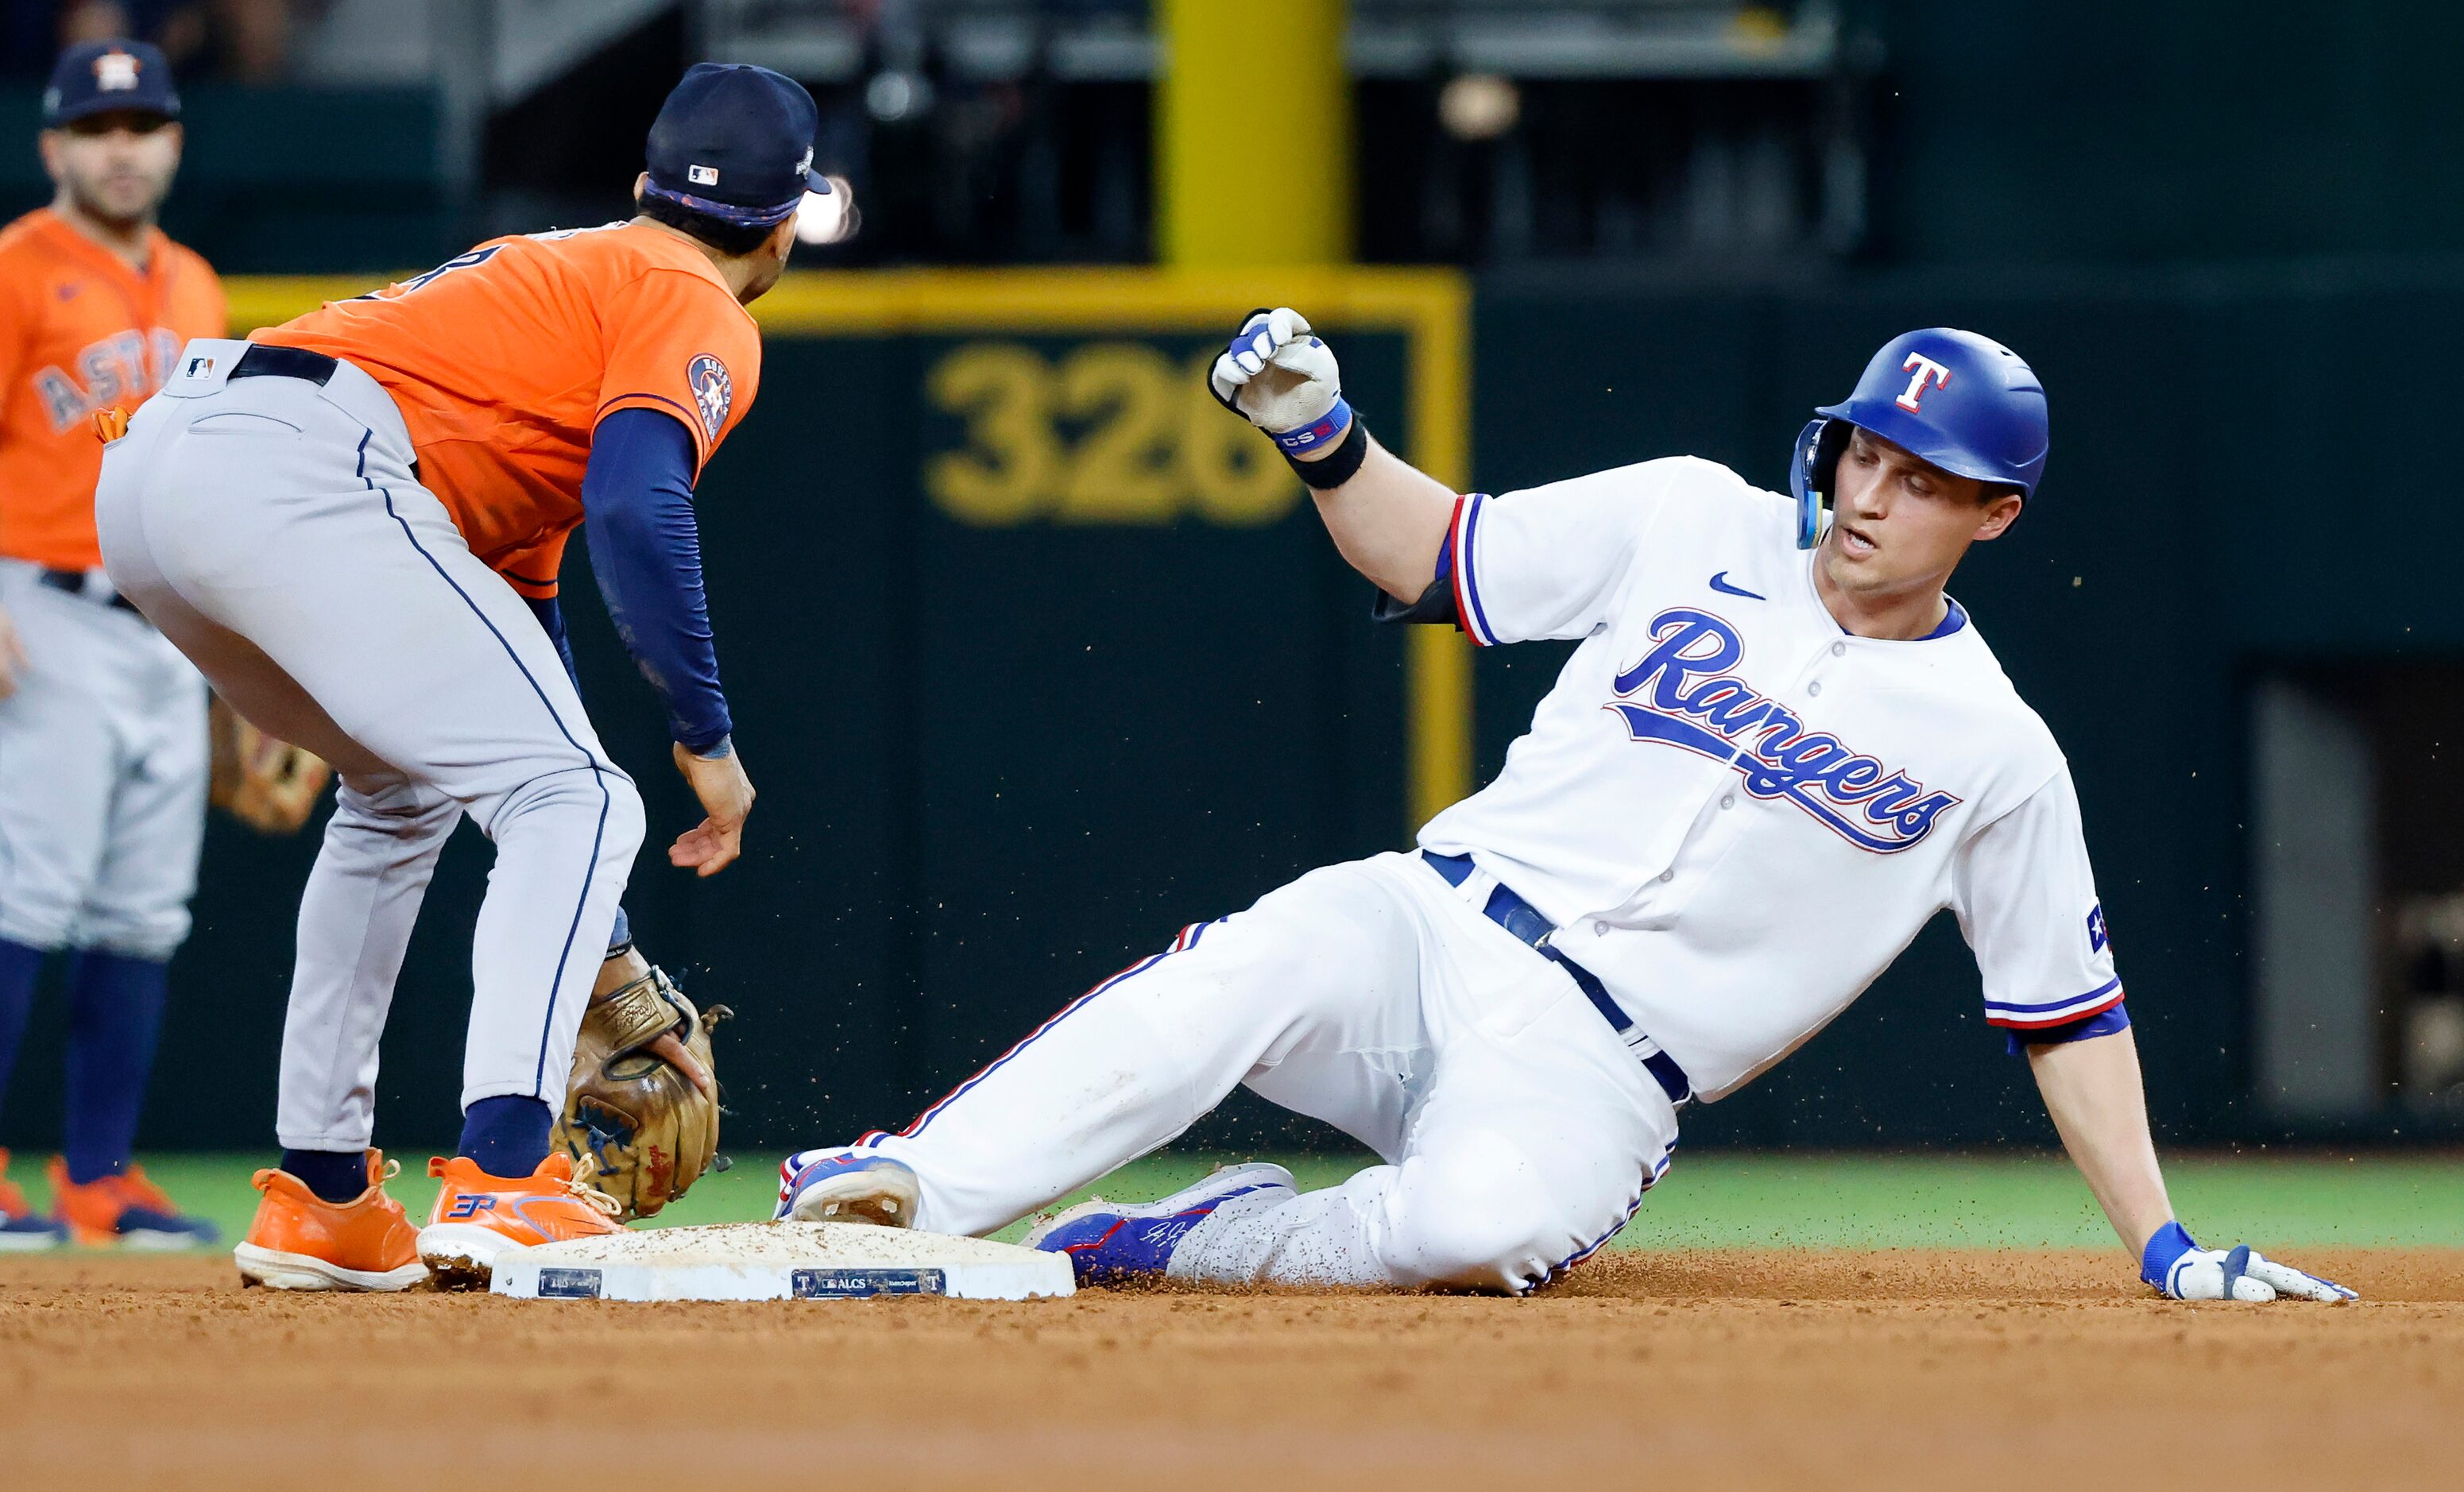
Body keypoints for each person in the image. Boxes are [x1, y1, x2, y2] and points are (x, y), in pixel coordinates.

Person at [777, 310, 2356, 1305]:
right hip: (1434, 924)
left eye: (1926, 476)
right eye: (1869, 451)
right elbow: (1434, 557)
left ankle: (1183, 1240)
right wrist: (1329, 439)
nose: (1875, 493)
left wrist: (2161, 1244)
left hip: (1607, 1070)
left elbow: (2067, 1012)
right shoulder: (1687, 515)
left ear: (1995, 515)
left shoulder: (1995, 751)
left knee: (1473, 1228)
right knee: (1250, 965)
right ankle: (913, 1187)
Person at [95, 62, 833, 1289]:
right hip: (311, 471)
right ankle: (505, 1174)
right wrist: (705, 735)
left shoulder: (569, 276)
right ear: (787, 218)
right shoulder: (694, 296)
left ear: (646, 183)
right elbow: (641, 506)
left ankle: (323, 1199)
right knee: (589, 801)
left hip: (166, 465)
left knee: (401, 796)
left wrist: (605, 943)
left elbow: (517, 646)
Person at [0, 39, 222, 1250]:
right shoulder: (16, 268)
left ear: (176, 142)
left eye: (142, 124)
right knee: (26, 889)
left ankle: (100, 1177)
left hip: (165, 623)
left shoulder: (192, 281)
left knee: (143, 909)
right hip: (38, 605)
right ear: (54, 147)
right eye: (98, 127)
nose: (121, 147)